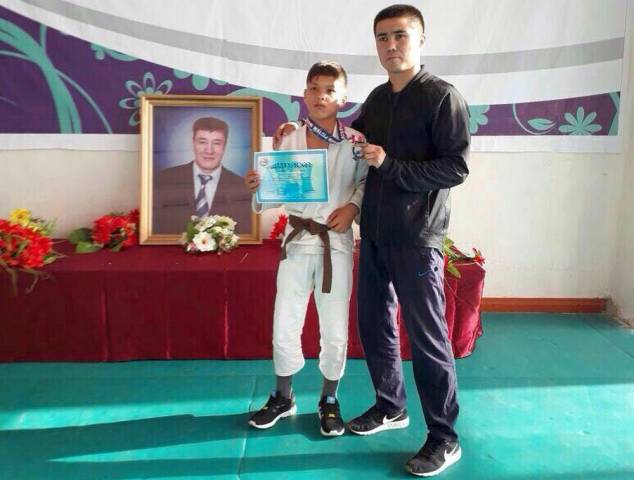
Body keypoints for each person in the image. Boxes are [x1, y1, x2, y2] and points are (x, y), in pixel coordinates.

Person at [274, 4, 470, 476]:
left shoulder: (443, 97)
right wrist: (297, 131)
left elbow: (456, 167)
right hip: (375, 234)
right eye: (382, 37)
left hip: (418, 236)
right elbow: (342, 134)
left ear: (420, 40)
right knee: (375, 324)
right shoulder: (379, 100)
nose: (391, 45)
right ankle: (390, 405)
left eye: (400, 35)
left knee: (426, 337)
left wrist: (390, 165)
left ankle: (444, 437)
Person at [246, 61, 368, 436]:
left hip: (335, 245)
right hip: (297, 242)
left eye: (330, 90)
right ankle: (283, 396)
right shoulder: (288, 139)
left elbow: (366, 184)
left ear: (343, 98)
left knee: (334, 327)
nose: (320, 96)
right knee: (285, 320)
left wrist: (353, 207)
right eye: (314, 88)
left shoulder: (356, 143)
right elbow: (273, 195)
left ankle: (329, 399)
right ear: (304, 93)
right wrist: (259, 188)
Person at [153, 116, 252, 234]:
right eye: (202, 142)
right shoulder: (164, 179)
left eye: (217, 143)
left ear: (224, 146)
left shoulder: (242, 186)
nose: (209, 150)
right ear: (193, 143)